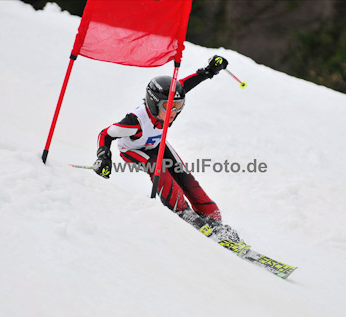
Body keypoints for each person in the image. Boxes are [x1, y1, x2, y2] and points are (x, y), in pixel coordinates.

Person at [93, 55, 240, 242]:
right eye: (169, 107)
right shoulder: (134, 121)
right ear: (154, 104)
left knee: (182, 174)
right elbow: (105, 134)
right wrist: (103, 156)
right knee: (158, 168)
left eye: (178, 107)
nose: (174, 112)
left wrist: (209, 71)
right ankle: (183, 212)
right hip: (133, 149)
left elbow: (184, 86)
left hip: (155, 143)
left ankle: (212, 217)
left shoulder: (168, 108)